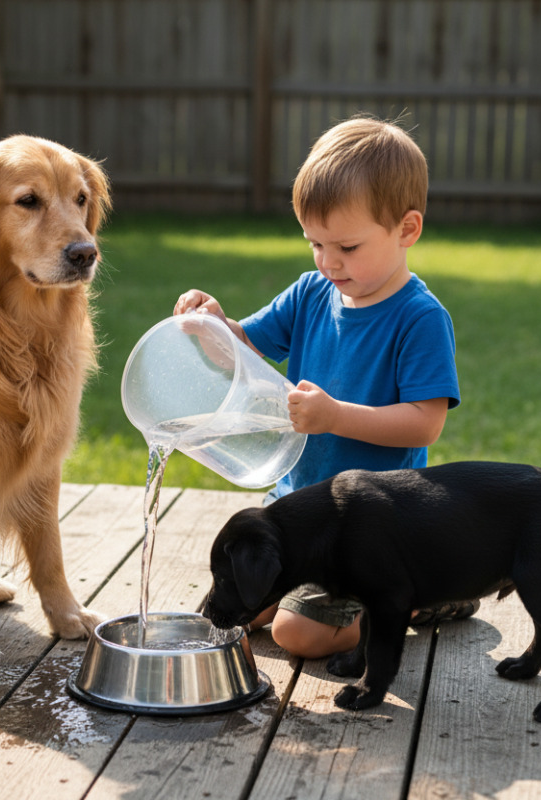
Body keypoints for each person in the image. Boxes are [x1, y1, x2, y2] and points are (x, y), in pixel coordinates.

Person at [174, 116, 466, 659]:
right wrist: (214, 324)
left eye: (348, 248)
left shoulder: (419, 318)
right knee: (241, 606)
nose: (329, 262)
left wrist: (336, 417)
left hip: (369, 528)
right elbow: (245, 349)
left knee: (295, 635)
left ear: (406, 230)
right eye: (315, 244)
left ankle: (416, 596)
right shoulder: (312, 292)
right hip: (298, 510)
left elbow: (427, 421)